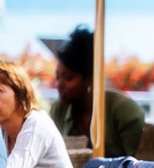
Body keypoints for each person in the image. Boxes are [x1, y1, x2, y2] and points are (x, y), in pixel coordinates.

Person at [48, 25, 146, 158]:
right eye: (57, 77)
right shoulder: (58, 111)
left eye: (68, 77)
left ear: (91, 79)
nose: (59, 85)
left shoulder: (122, 110)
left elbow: (141, 166)